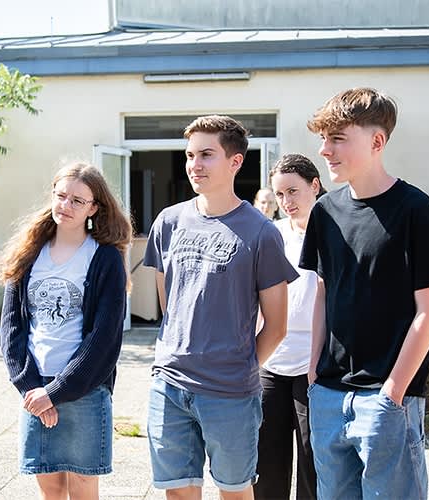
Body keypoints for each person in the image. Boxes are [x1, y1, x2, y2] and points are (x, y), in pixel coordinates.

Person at [300, 87, 429, 500]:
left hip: (387, 399)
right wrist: (314, 375)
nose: (325, 150)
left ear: (377, 142)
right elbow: (322, 293)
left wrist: (394, 392)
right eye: (323, 139)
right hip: (329, 395)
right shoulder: (324, 211)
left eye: (337, 139)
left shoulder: (416, 211)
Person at [143, 115, 298, 499]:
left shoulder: (260, 231)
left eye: (207, 155)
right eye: (190, 155)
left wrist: (238, 366)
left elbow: (277, 326)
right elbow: (170, 305)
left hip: (229, 393)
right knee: (178, 492)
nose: (195, 165)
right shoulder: (169, 222)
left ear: (235, 162)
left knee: (234, 492)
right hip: (170, 384)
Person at [0, 162, 132, 499]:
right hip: (34, 388)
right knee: (51, 488)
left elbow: (104, 338)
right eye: (61, 196)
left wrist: (55, 392)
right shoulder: (29, 254)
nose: (66, 206)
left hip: (84, 390)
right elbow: (10, 329)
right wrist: (32, 389)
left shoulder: (105, 259)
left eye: (77, 200)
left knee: (83, 487)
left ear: (94, 208)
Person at [255, 154, 326, 500]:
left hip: (315, 364)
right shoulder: (272, 234)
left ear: (315, 185)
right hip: (270, 360)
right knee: (266, 459)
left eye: (293, 192)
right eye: (280, 194)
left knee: (313, 459)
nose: (286, 202)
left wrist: (318, 363)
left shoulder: (331, 232)